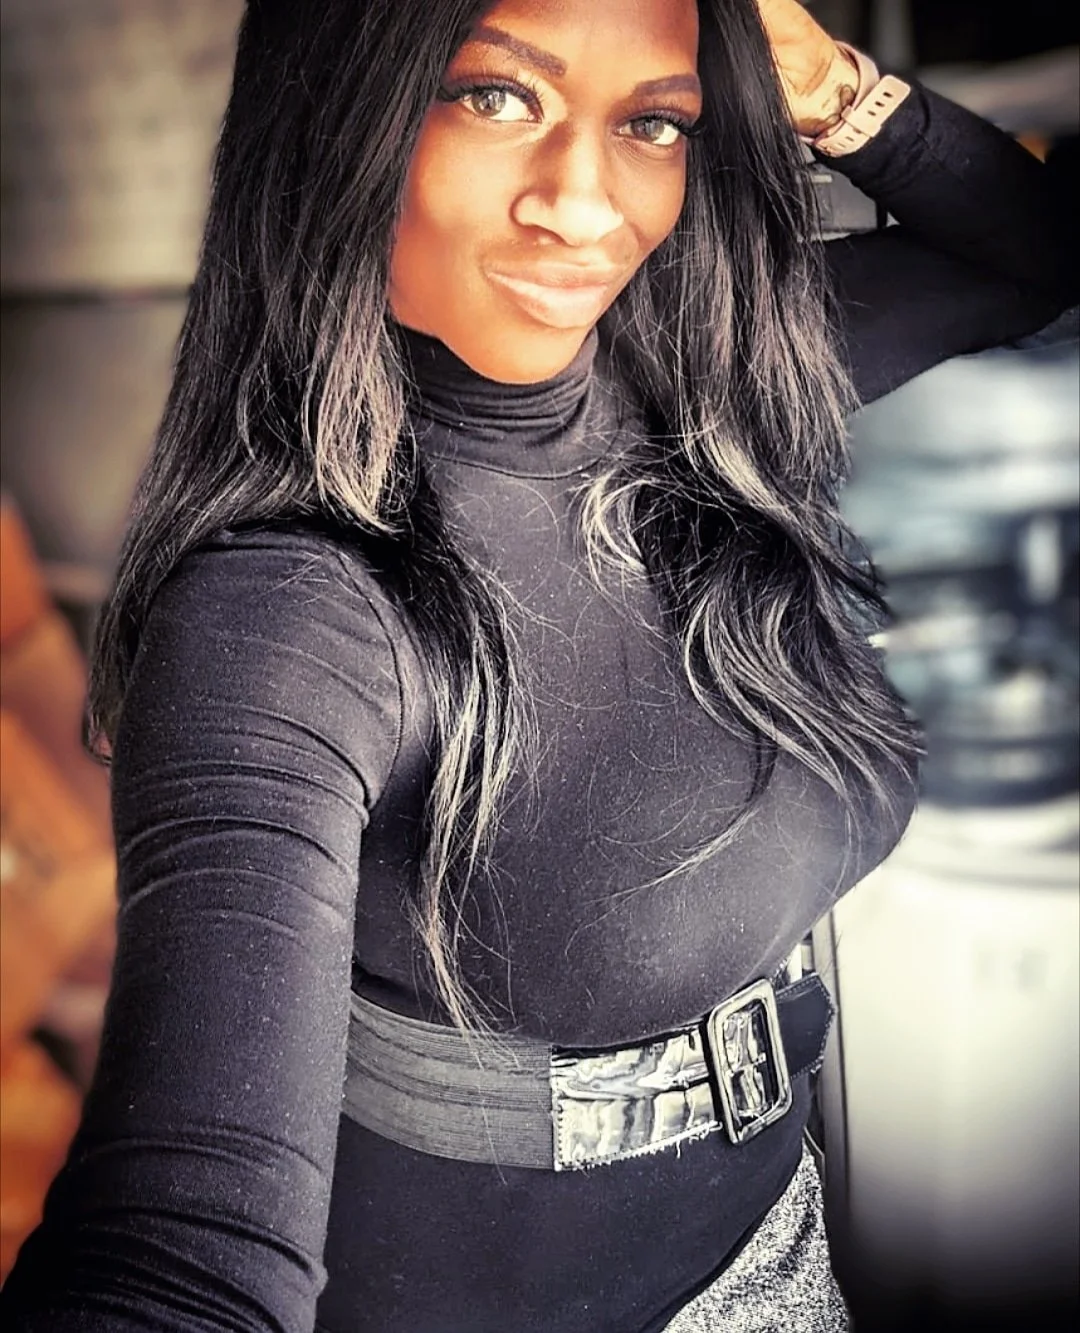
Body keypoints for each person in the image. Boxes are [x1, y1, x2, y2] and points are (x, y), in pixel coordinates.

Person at [1, 0, 1073, 1329]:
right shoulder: (287, 615)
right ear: (343, 117)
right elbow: (185, 1245)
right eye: (496, 97)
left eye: (652, 123)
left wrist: (831, 86)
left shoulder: (711, 386)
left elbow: (1042, 249)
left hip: (777, 1254)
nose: (582, 204)